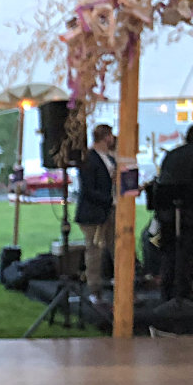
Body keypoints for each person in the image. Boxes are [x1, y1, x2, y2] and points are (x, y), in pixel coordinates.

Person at [155, 122, 193, 301]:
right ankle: (184, 291)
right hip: (192, 213)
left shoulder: (172, 154)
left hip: (168, 212)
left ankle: (167, 291)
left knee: (169, 252)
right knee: (188, 252)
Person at [76, 124, 117, 302]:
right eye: (111, 135)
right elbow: (88, 189)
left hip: (110, 210)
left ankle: (122, 285)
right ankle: (94, 289)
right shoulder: (88, 159)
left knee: (117, 247)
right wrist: (108, 199)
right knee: (94, 251)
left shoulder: (110, 158)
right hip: (93, 213)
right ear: (106, 137)